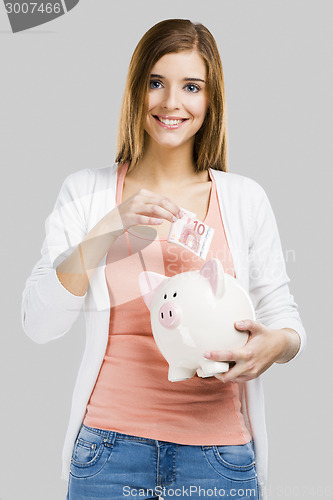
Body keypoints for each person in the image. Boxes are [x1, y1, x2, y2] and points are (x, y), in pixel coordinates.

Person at [21, 18, 306, 500]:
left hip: (219, 457)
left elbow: (285, 319)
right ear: (136, 91)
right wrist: (108, 228)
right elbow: (39, 321)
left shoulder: (244, 199)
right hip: (107, 452)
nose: (171, 102)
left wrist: (273, 345)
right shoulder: (87, 193)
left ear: (210, 100)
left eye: (191, 87)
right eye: (156, 82)